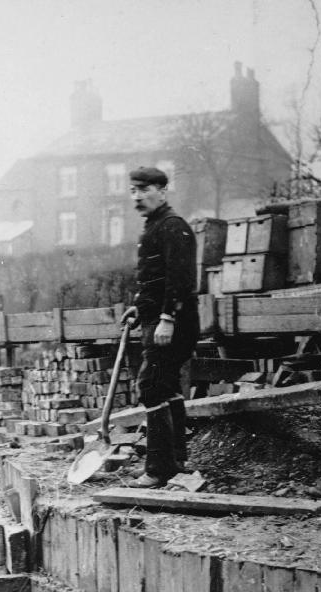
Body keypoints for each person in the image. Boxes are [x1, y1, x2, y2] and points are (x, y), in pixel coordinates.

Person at [120, 165, 199, 488]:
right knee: (165, 387)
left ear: (163, 192)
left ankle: (157, 469)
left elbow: (180, 279)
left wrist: (167, 317)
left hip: (173, 322)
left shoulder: (172, 226)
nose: (137, 197)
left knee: (151, 387)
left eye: (144, 190)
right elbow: (156, 279)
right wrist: (140, 308)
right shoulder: (155, 226)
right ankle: (177, 461)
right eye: (133, 191)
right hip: (159, 319)